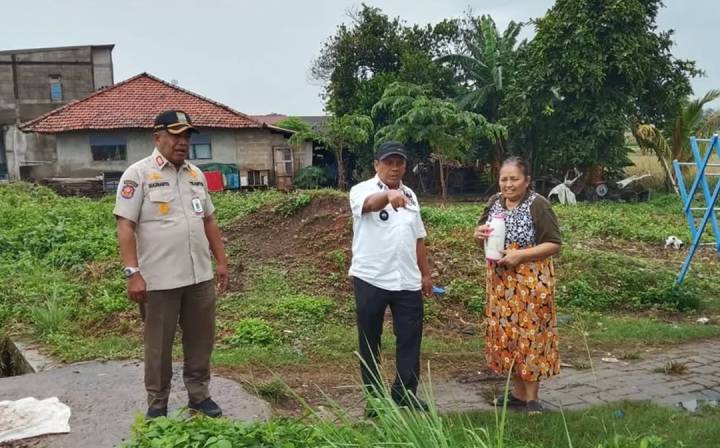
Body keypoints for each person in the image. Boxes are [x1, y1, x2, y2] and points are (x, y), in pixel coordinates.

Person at [113, 110, 229, 419]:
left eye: (187, 136)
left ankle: (199, 396)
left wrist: (221, 262)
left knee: (201, 341)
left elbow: (209, 220)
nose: (183, 142)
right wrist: (132, 273)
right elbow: (125, 225)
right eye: (176, 135)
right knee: (158, 347)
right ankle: (157, 403)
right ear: (158, 137)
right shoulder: (138, 174)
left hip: (199, 277)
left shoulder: (195, 174)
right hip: (159, 281)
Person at [348, 141, 432, 414]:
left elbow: (418, 238)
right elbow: (369, 205)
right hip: (371, 277)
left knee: (410, 337)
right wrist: (388, 195)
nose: (394, 168)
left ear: (405, 166)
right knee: (370, 338)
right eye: (388, 162)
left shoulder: (411, 195)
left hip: (407, 279)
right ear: (376, 165)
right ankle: (374, 398)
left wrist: (425, 274)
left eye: (399, 163)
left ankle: (404, 392)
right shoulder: (361, 190)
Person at [474, 156, 561, 414]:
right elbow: (482, 232)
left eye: (514, 179)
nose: (508, 184)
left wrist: (521, 255)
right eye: (504, 179)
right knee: (507, 336)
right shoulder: (495, 202)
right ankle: (517, 394)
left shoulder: (538, 204)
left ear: (527, 181)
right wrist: (477, 234)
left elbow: (554, 243)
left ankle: (532, 399)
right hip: (501, 283)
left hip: (531, 281)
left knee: (531, 336)